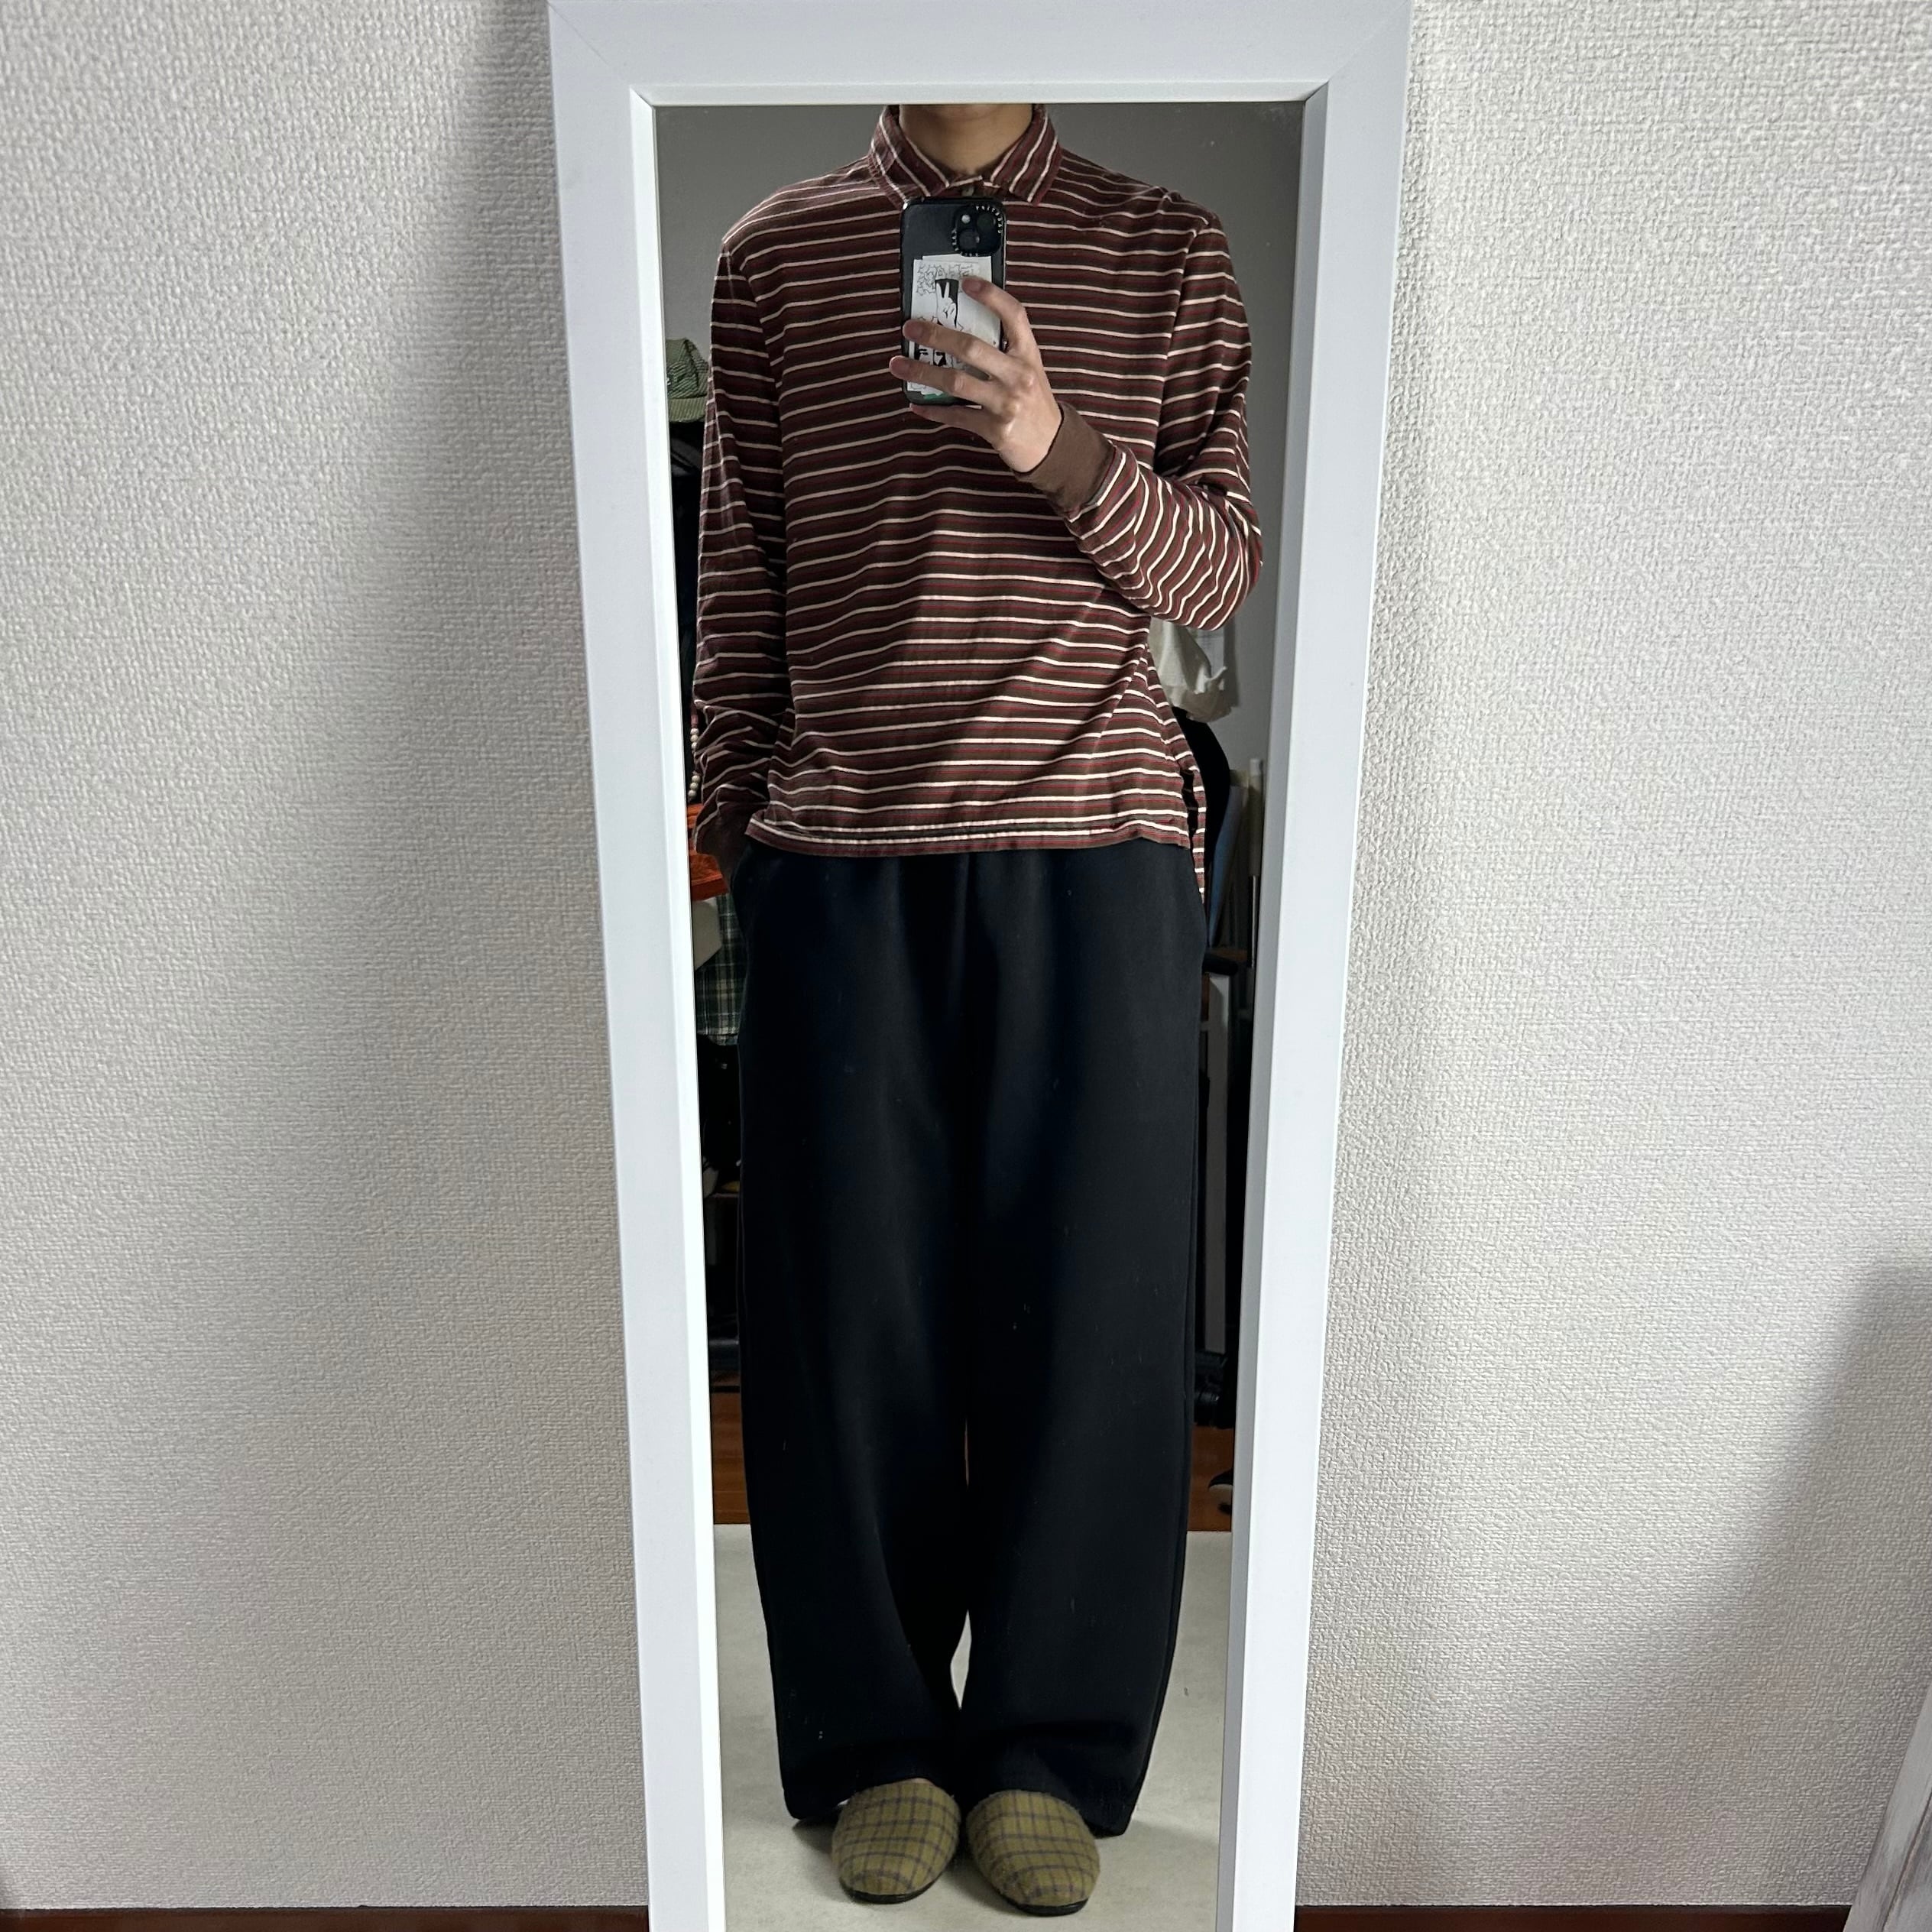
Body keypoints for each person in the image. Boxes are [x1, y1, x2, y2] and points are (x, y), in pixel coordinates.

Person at [692, 100, 1262, 1914]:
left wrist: (1048, 439)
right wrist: (736, 823)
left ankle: (1046, 1752)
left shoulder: (1166, 249)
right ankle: (874, 1742)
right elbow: (740, 585)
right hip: (839, 855)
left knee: (1092, 1323)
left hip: (1094, 843)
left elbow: (1218, 574)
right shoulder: (775, 254)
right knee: (842, 1328)